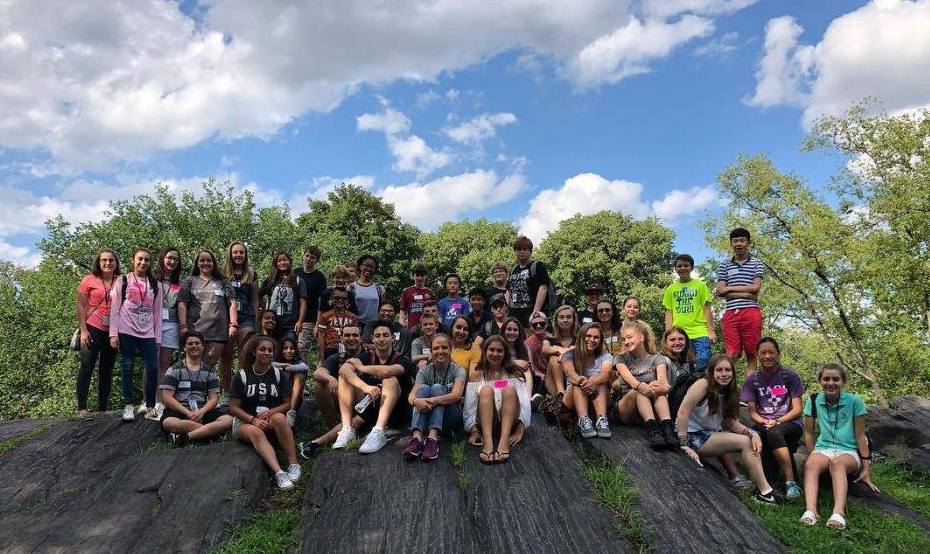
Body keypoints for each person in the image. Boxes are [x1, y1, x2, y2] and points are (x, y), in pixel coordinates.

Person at [675, 354, 780, 504]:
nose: (724, 374)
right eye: (719, 370)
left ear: (733, 372)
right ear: (711, 372)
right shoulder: (703, 384)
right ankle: (765, 492)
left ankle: (763, 490)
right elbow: (683, 411)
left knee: (749, 439)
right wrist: (683, 443)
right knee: (745, 442)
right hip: (691, 436)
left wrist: (752, 433)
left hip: (707, 435)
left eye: (727, 370)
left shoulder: (728, 391)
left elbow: (729, 422)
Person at [800, 363, 878, 529]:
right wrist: (812, 453)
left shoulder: (855, 401)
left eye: (836, 379)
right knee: (811, 464)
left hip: (848, 450)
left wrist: (866, 470)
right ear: (820, 381)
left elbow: (860, 436)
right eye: (826, 379)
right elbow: (808, 432)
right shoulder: (813, 400)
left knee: (837, 464)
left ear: (843, 382)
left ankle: (838, 512)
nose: (831, 383)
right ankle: (811, 510)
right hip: (824, 448)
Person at [228, 335, 300, 490]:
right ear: (254, 352)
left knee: (280, 418)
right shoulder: (242, 375)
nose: (267, 353)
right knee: (256, 432)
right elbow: (233, 407)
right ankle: (279, 472)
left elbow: (288, 403)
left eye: (270, 350)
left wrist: (271, 412)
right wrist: (252, 419)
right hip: (246, 422)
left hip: (271, 418)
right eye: (262, 349)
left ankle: (293, 464)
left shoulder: (278, 374)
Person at [332, 320, 415, 454]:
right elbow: (344, 369)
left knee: (389, 379)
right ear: (372, 338)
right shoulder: (366, 356)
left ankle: (379, 431)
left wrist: (361, 368)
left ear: (393, 338)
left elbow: (386, 371)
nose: (381, 339)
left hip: (396, 414)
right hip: (371, 408)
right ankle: (347, 429)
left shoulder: (403, 359)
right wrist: (365, 387)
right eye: (378, 336)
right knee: (344, 377)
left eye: (385, 335)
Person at [741, 337, 805, 500]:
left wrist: (778, 421)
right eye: (763, 353)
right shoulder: (752, 380)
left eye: (771, 352)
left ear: (778, 355)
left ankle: (791, 482)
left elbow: (798, 409)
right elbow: (752, 412)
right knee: (752, 436)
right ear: (757, 355)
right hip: (764, 422)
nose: (767, 356)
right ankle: (763, 481)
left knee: (774, 432)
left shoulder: (789, 376)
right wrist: (764, 421)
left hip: (790, 423)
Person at [110, 248, 162, 421]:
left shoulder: (155, 284)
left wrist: (158, 338)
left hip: (147, 331)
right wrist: (113, 334)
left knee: (152, 367)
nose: (143, 263)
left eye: (147, 260)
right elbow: (115, 308)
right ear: (133, 260)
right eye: (140, 259)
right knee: (127, 366)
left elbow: (157, 313)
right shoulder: (123, 280)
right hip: (126, 329)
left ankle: (149, 406)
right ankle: (128, 405)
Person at [464, 335, 531, 463]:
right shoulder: (476, 375)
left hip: (511, 421)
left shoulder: (514, 373)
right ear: (485, 352)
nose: (495, 354)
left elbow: (525, 402)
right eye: (492, 350)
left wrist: (520, 431)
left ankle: (503, 442)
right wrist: (474, 431)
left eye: (499, 350)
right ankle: (488, 443)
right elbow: (469, 406)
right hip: (486, 420)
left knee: (509, 389)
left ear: (505, 353)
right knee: (486, 390)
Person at [159, 330, 233, 445]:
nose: (194, 346)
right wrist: (188, 413)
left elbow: (214, 398)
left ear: (203, 347)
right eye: (190, 343)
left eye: (197, 343)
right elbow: (166, 397)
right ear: (184, 347)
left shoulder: (209, 371)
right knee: (168, 422)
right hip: (179, 411)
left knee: (228, 420)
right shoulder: (174, 369)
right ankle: (209, 431)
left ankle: (186, 437)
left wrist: (201, 412)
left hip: (202, 410)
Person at [402, 334, 467, 461]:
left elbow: (456, 395)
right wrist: (416, 401)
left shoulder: (458, 370)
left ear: (450, 349)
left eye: (444, 348)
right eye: (436, 348)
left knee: (437, 388)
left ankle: (432, 438)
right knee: (423, 389)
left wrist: (433, 401)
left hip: (451, 417)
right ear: (431, 351)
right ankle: (416, 439)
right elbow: (411, 396)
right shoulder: (424, 371)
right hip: (428, 416)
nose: (440, 351)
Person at [613, 320, 675, 449]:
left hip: (649, 405)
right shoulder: (621, 358)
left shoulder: (657, 358)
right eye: (624, 339)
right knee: (639, 390)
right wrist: (643, 386)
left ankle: (667, 428)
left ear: (641, 337)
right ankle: (653, 430)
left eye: (629, 337)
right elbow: (628, 377)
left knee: (659, 391)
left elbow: (663, 382)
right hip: (626, 408)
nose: (626, 342)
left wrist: (659, 386)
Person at [76, 248, 120, 420]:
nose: (108, 263)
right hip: (92, 328)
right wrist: (83, 330)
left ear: (116, 263)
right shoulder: (88, 280)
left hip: (112, 331)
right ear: (98, 262)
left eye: (111, 260)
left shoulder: (120, 281)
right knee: (87, 367)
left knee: (106, 370)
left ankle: (102, 409)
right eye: (104, 260)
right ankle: (82, 408)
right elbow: (80, 305)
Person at [715, 227, 765, 375]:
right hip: (731, 313)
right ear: (731, 244)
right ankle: (729, 389)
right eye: (735, 241)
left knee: (752, 352)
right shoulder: (724, 265)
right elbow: (720, 290)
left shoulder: (757, 263)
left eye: (742, 240)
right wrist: (746, 293)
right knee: (732, 353)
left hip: (751, 312)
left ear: (748, 242)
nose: (739, 244)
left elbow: (756, 288)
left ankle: (749, 391)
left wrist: (730, 289)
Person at [178, 250, 237, 367]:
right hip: (194, 331)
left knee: (208, 364)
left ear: (214, 263)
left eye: (209, 260)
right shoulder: (190, 281)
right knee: (193, 365)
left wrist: (233, 324)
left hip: (218, 332)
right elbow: (182, 304)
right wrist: (183, 326)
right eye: (202, 260)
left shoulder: (224, 282)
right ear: (197, 263)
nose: (206, 263)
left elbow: (232, 303)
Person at [663, 254, 715, 371]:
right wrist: (668, 333)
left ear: (691, 267)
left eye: (686, 265)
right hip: (680, 334)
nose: (682, 268)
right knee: (685, 366)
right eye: (679, 266)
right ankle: (688, 388)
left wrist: (711, 331)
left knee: (703, 361)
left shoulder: (700, 286)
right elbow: (669, 313)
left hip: (700, 331)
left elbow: (707, 309)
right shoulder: (671, 289)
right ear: (675, 269)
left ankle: (702, 386)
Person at [309, 323, 363, 434]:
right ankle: (334, 428)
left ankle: (360, 426)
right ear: (341, 338)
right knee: (320, 386)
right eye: (347, 335)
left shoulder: (368, 355)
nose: (351, 338)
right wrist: (331, 379)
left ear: (360, 338)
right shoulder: (337, 357)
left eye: (355, 335)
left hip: (365, 401)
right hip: (343, 400)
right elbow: (317, 373)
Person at [561, 322, 613, 439]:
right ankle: (583, 420)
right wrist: (582, 381)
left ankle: (602, 420)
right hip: (573, 398)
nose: (592, 340)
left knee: (599, 380)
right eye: (588, 336)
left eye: (596, 337)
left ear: (600, 340)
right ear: (582, 336)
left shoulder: (605, 356)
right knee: (578, 381)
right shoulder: (570, 354)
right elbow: (570, 373)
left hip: (599, 397)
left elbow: (605, 374)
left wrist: (594, 381)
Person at [221, 241, 260, 390]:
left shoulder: (251, 274)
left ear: (245, 255)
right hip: (225, 318)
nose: (238, 255)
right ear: (230, 254)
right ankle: (226, 391)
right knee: (226, 356)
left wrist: (257, 320)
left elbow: (255, 300)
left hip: (246, 317)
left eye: (241, 252)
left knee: (246, 353)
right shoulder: (222, 273)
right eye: (235, 252)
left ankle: (244, 389)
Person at [154, 247, 182, 418]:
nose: (172, 261)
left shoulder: (180, 282)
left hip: (172, 323)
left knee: (165, 363)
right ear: (163, 258)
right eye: (169, 258)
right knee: (151, 363)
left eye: (175, 259)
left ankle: (161, 400)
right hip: (152, 324)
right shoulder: (152, 279)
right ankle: (147, 400)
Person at [259, 251, 307, 341]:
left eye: (284, 260)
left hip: (290, 324)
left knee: (287, 348)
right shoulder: (271, 280)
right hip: (272, 323)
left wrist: (300, 321)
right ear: (276, 263)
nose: (282, 263)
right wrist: (263, 310)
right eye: (279, 261)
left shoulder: (298, 280)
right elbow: (259, 295)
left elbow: (303, 302)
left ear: (290, 261)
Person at [506, 236, 550, 329]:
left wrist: (535, 312)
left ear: (530, 251)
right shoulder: (514, 269)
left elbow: (543, 288)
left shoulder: (537, 266)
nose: (521, 252)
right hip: (514, 315)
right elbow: (508, 290)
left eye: (525, 249)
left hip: (531, 314)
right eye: (518, 249)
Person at [294, 246, 327, 361]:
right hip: (293, 316)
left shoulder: (320, 277)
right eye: (307, 256)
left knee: (302, 347)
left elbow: (321, 301)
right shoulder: (296, 273)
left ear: (317, 260)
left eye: (312, 257)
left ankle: (302, 375)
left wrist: (318, 324)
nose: (308, 259)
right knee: (290, 346)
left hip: (310, 318)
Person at [315, 286, 361, 366]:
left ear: (347, 301)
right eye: (337, 298)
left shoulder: (353, 317)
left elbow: (357, 337)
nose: (340, 300)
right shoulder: (325, 316)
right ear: (331, 299)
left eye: (344, 299)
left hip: (349, 349)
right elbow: (321, 337)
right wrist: (321, 359)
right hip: (331, 349)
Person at [541, 305, 578, 396]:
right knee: (554, 358)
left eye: (568, 317)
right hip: (553, 380)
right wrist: (563, 350)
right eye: (561, 317)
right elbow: (545, 349)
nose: (565, 320)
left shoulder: (579, 338)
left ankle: (562, 398)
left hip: (574, 377)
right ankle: (560, 393)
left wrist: (564, 352)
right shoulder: (550, 338)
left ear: (574, 320)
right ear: (557, 321)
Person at [274, 336, 310, 427]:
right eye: (285, 348)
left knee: (300, 375)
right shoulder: (275, 361)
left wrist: (291, 368)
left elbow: (305, 367)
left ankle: (291, 413)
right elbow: (268, 364)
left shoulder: (297, 362)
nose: (289, 351)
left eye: (292, 348)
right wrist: (283, 365)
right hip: (277, 399)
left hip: (293, 399)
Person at [348, 255, 385, 326]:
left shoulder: (380, 288)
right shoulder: (351, 287)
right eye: (366, 265)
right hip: (356, 325)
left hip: (374, 325)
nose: (368, 268)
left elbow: (382, 309)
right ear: (360, 266)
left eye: (372, 267)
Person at [399, 264, 435, 329]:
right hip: (412, 328)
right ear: (413, 276)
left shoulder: (430, 293)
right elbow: (402, 311)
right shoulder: (407, 291)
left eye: (422, 275)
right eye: (417, 275)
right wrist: (400, 328)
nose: (419, 278)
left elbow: (434, 312)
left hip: (428, 327)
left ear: (426, 276)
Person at [525, 312, 550, 394]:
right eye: (535, 324)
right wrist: (539, 375)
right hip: (536, 378)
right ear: (531, 327)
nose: (539, 326)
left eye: (541, 323)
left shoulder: (553, 339)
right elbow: (529, 365)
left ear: (546, 324)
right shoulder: (527, 344)